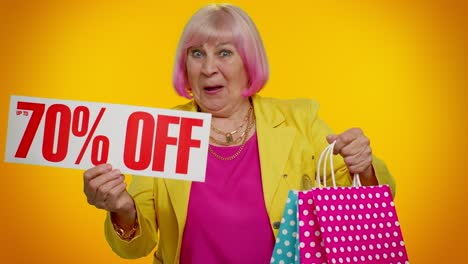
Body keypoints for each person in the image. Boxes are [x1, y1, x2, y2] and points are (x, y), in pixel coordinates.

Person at [83, 3, 395, 264]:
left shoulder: (300, 119)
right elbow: (136, 247)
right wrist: (122, 209)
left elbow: (369, 201)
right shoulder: (163, 130)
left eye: (224, 53)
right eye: (197, 54)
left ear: (249, 61)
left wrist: (363, 166)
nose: (208, 69)